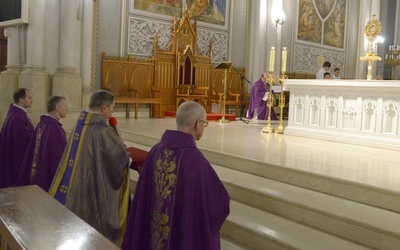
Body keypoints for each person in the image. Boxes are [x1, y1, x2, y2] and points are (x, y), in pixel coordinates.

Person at [122, 101, 230, 250]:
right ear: (198, 123)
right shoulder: (195, 160)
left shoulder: (155, 151)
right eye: (204, 123)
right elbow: (220, 204)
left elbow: (143, 198)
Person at [48, 90, 130, 246]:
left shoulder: (80, 124)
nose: (113, 111)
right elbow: (118, 158)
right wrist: (121, 144)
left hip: (77, 184)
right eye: (112, 107)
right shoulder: (103, 131)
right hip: (91, 186)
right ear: (104, 107)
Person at [16, 96, 68, 192]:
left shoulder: (42, 124)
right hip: (48, 176)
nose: (67, 109)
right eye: (65, 106)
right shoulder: (54, 128)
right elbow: (59, 156)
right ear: (58, 108)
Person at [0, 88, 34, 188]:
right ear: (21, 100)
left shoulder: (16, 113)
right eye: (29, 97)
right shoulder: (17, 116)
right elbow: (22, 141)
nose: (32, 100)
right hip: (17, 162)